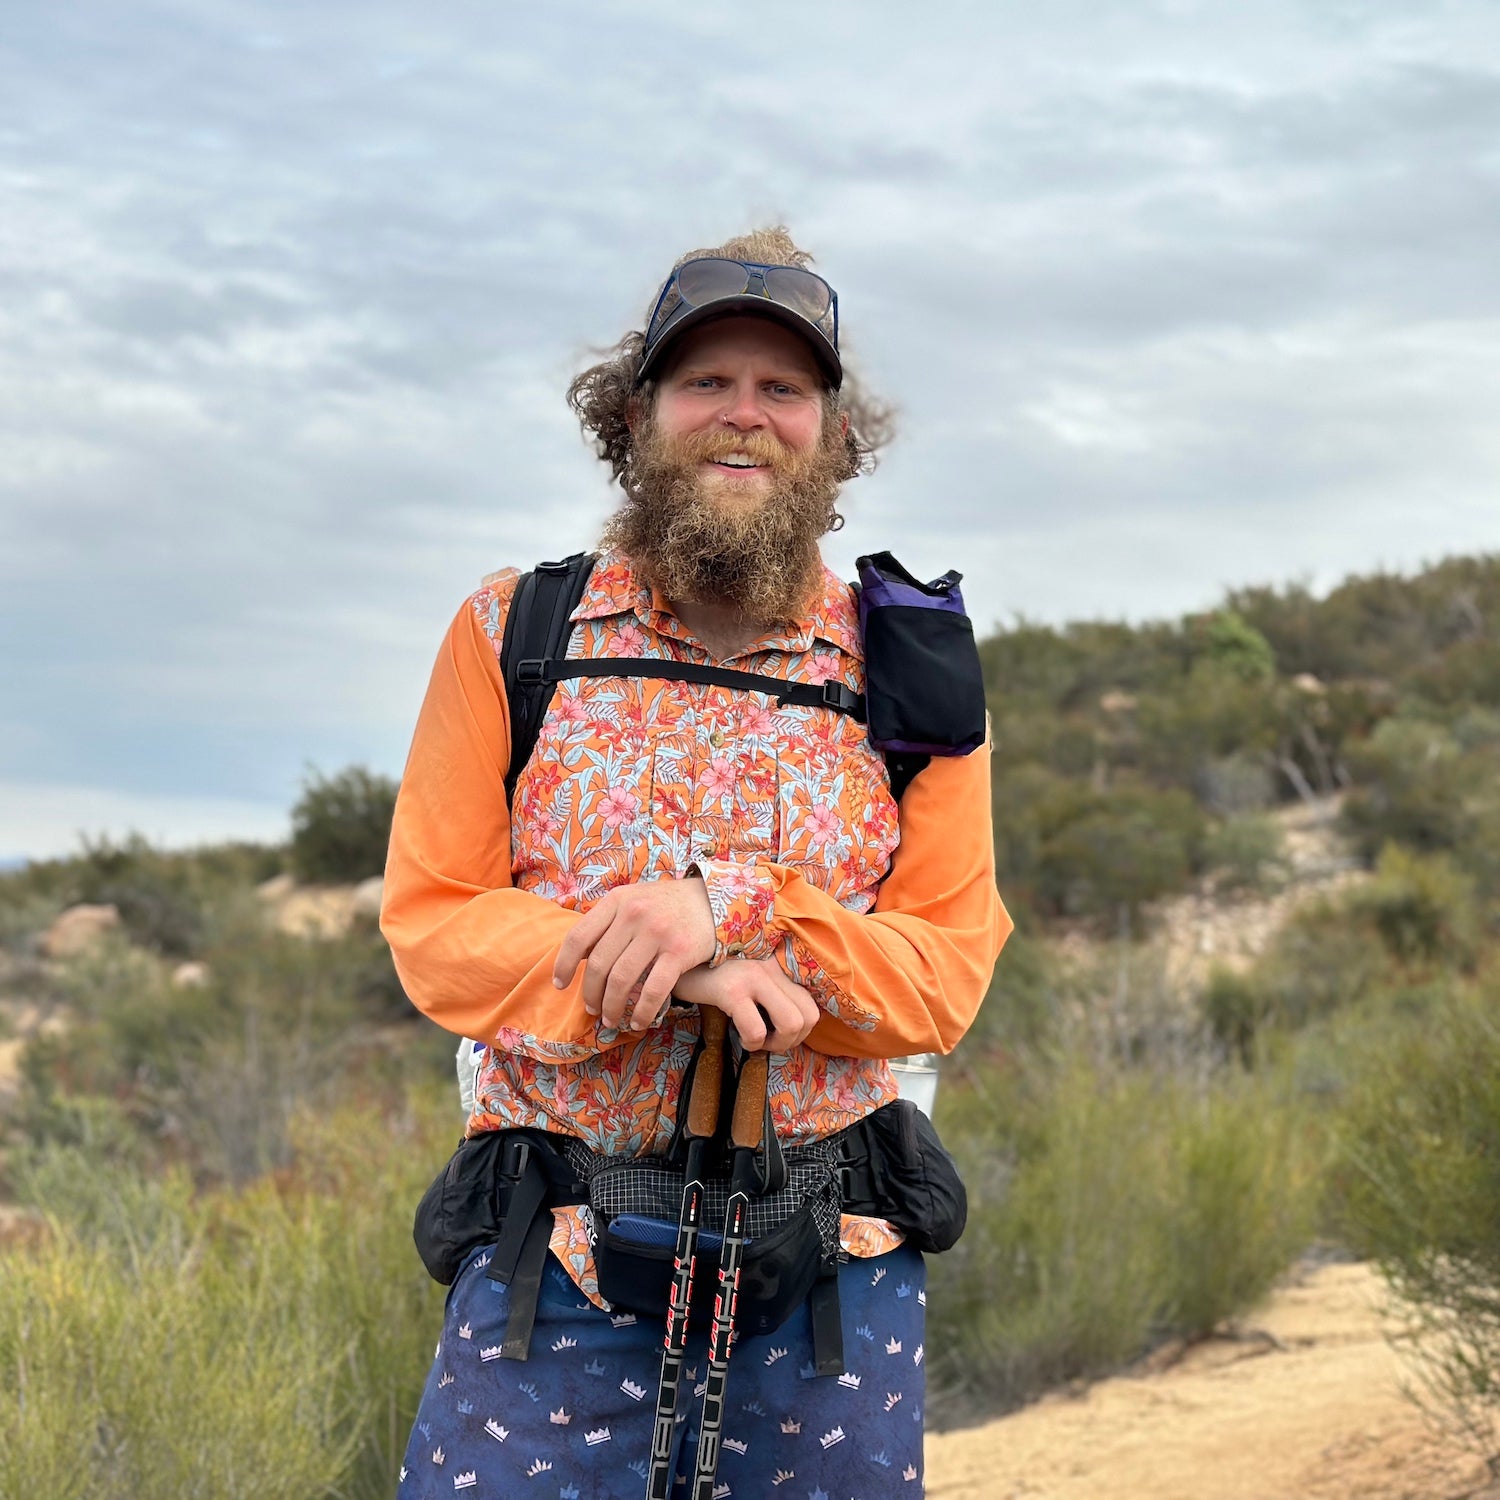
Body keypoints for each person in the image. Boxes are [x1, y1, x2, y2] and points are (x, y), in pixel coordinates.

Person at [381, 225, 1010, 1499]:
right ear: (636, 415)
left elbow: (942, 976)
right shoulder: (518, 631)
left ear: (834, 436)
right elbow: (438, 928)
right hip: (547, 1261)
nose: (744, 417)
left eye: (784, 389)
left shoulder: (911, 663)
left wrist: (738, 910)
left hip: (833, 1267)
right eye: (705, 382)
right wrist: (679, 968)